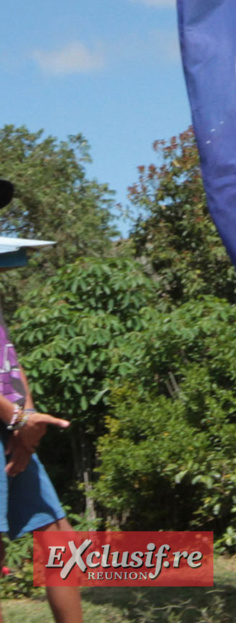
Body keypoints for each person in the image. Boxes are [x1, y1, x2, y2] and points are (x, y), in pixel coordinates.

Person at [0, 180, 83, 623]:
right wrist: (18, 418)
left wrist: (26, 418)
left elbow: (8, 358)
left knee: (58, 541)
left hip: (12, 430)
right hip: (9, 423)